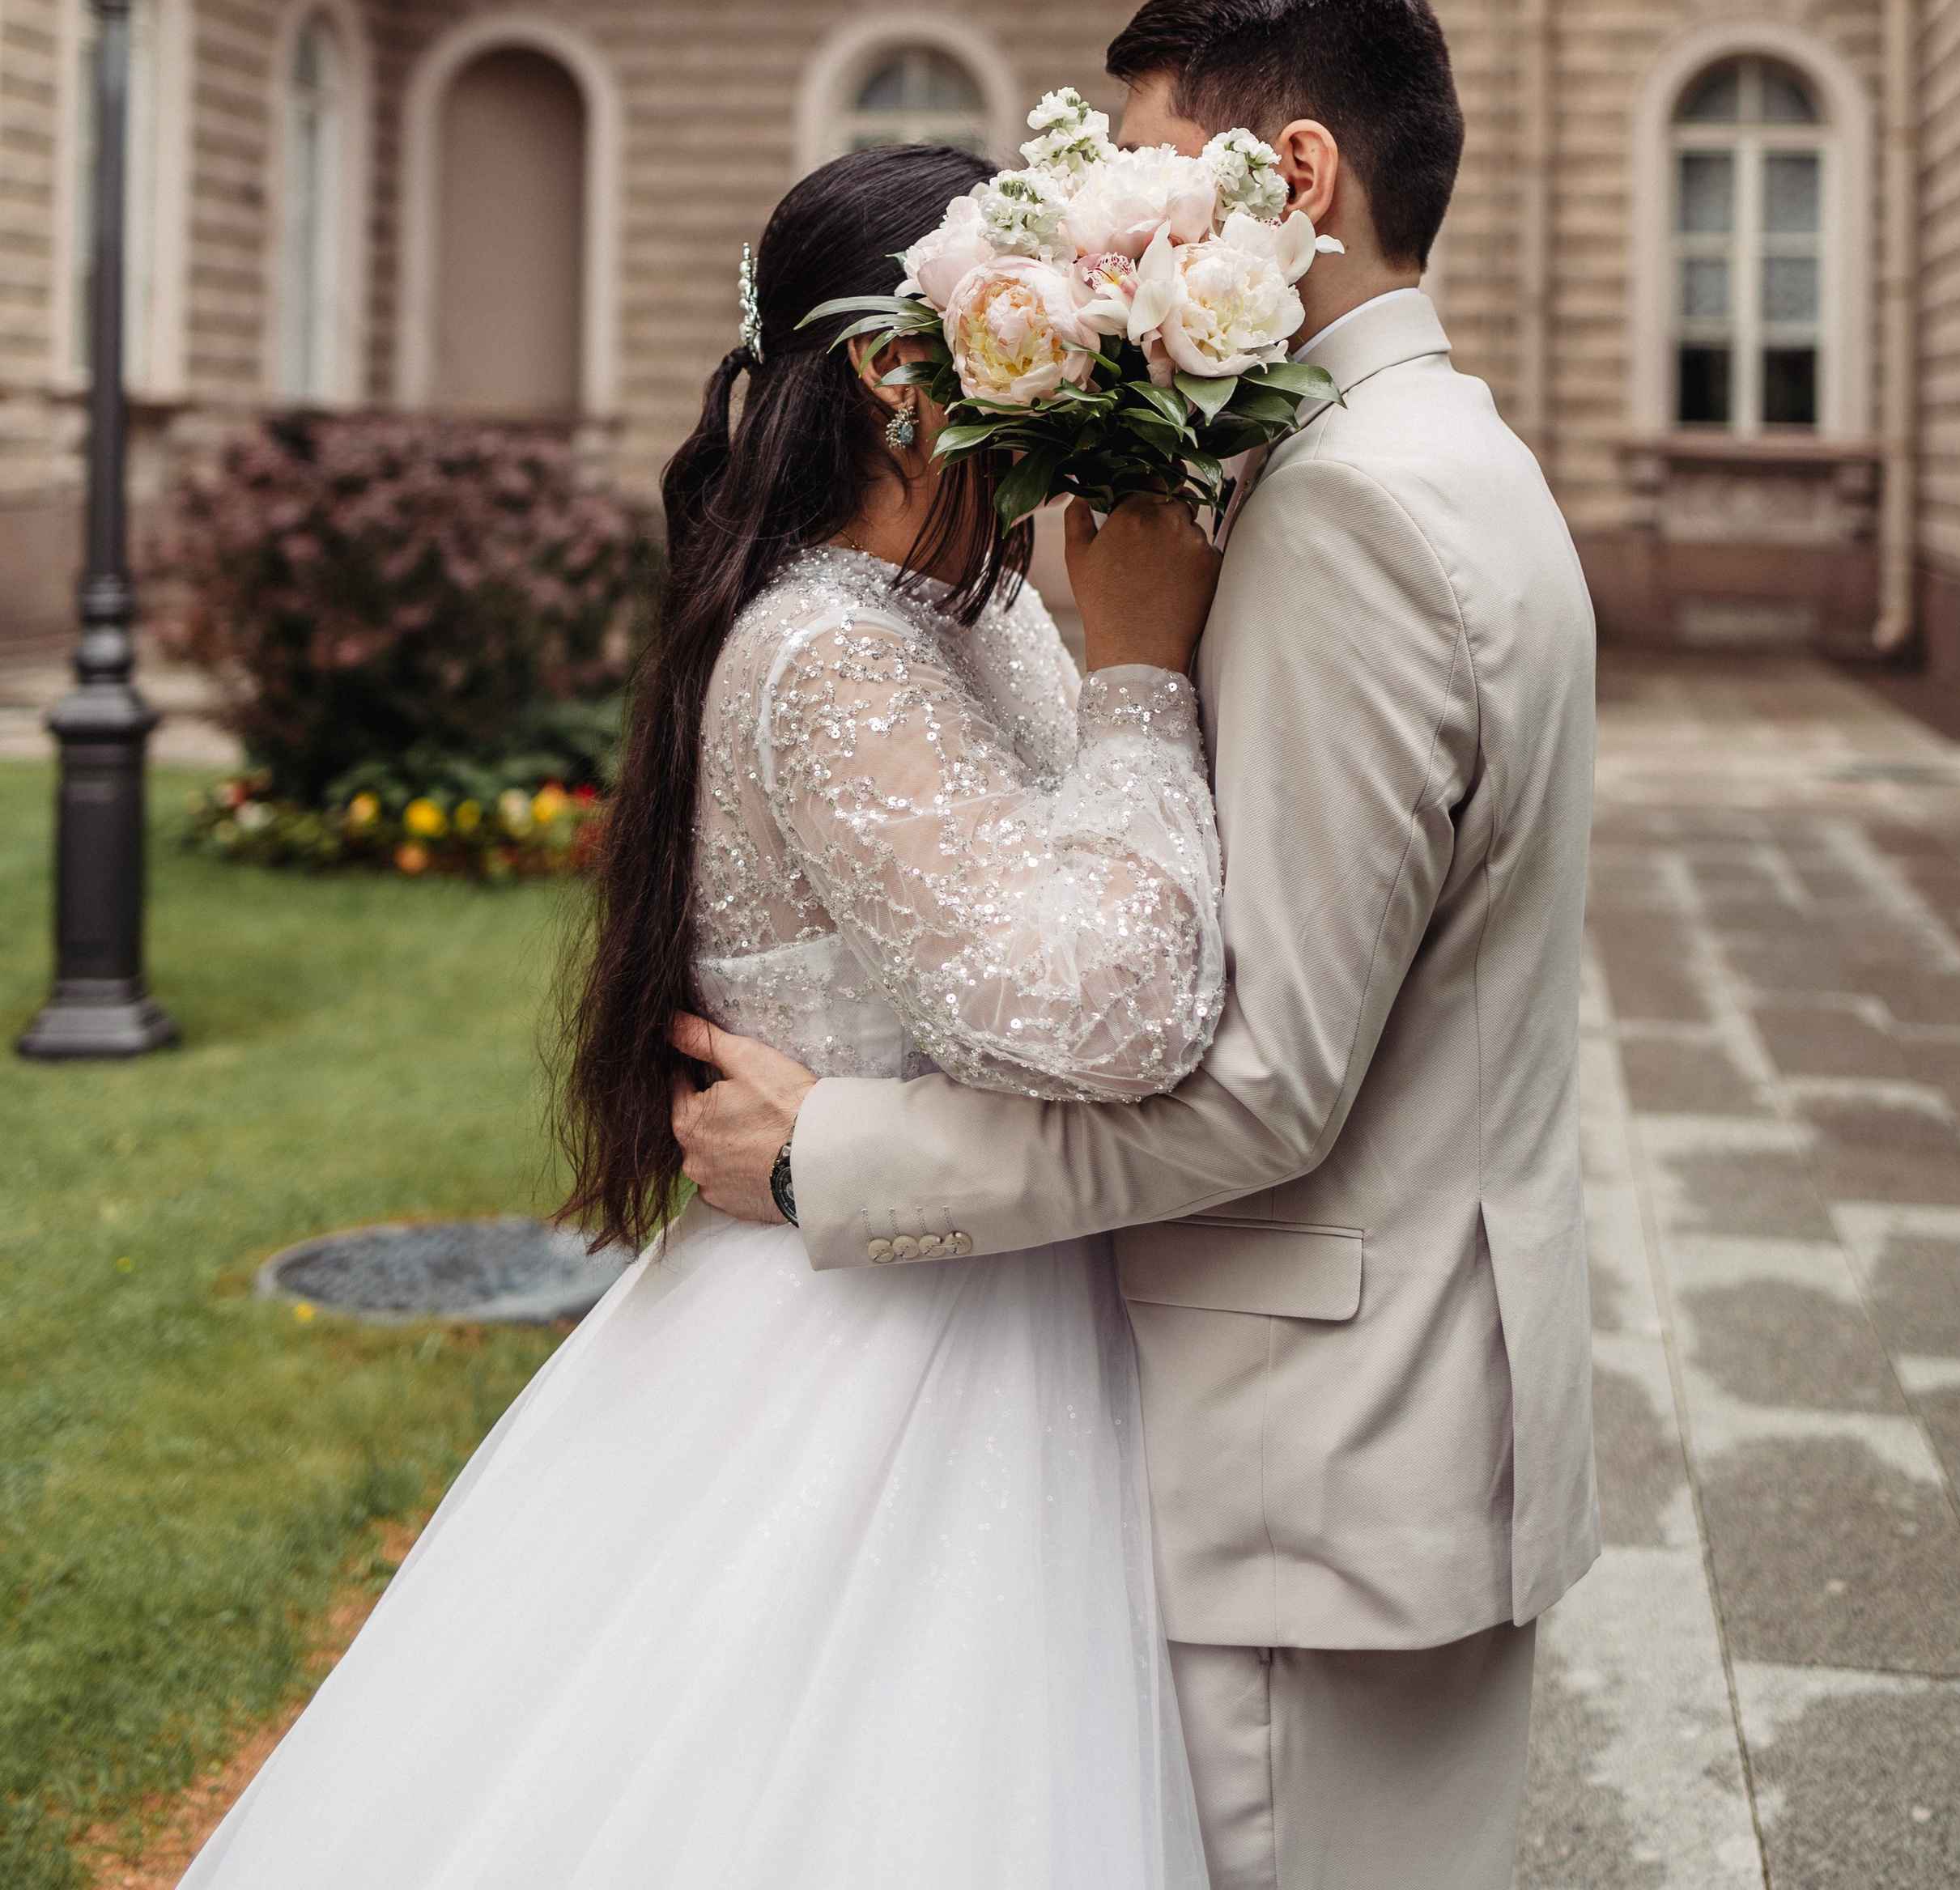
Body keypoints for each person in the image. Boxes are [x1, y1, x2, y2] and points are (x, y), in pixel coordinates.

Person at [179, 142, 1228, 1890]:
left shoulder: (960, 614)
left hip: (986, 1288)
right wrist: (1140, 671)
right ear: (906, 380)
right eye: (1048, 363)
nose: (1073, 427)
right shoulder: (827, 657)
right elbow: (1107, 1009)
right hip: (881, 1359)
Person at [676, 0, 1602, 1890]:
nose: (1118, 239)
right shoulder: (1453, 461)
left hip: (1318, 1451)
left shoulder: (1346, 508)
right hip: (1314, 1430)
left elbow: (1260, 1085)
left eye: (1153, 184)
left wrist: (824, 1157)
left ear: (1296, 176)